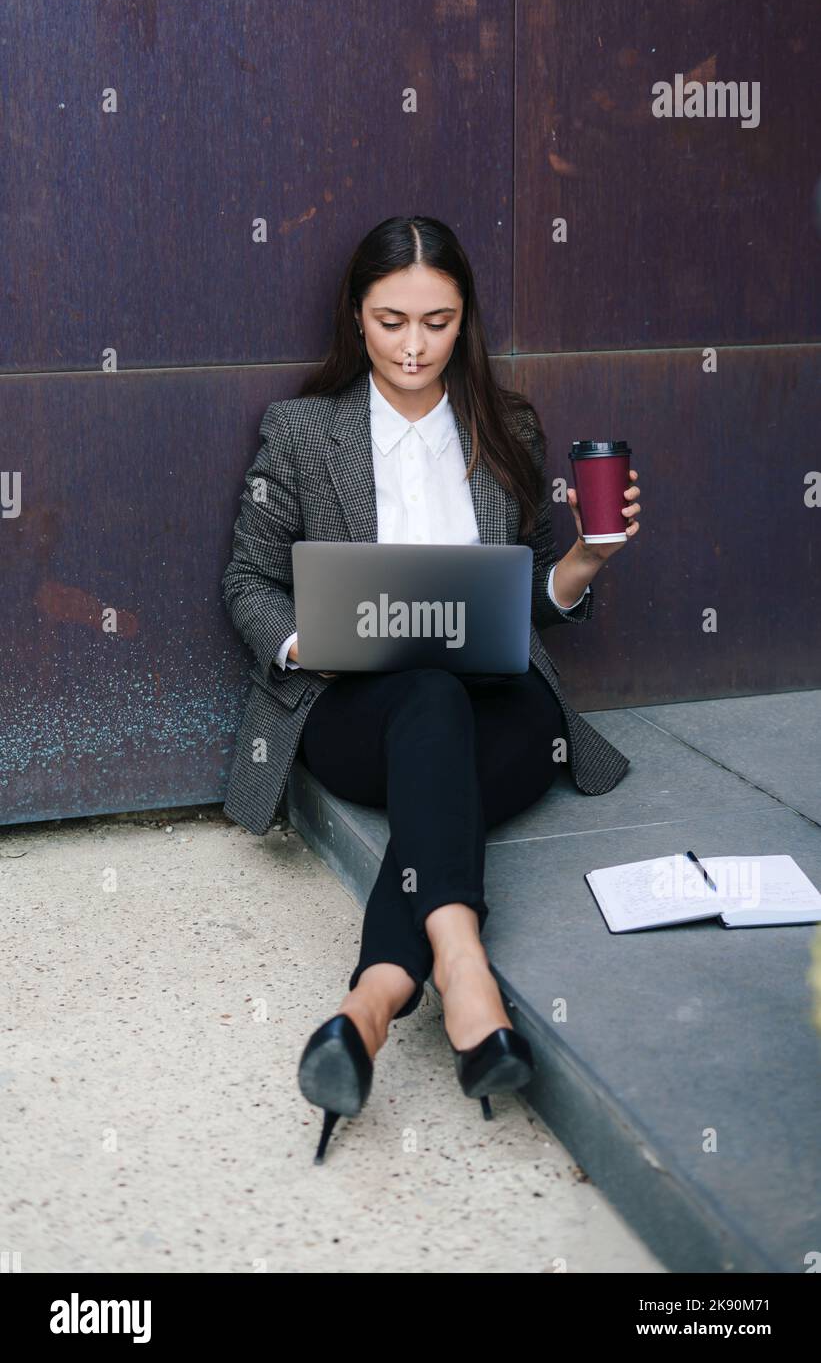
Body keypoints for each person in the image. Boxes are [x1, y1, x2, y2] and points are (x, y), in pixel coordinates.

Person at [222, 216, 641, 1164]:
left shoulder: (506, 424)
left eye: (438, 322)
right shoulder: (302, 433)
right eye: (391, 321)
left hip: (500, 705)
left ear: (466, 321)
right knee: (425, 700)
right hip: (359, 711)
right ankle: (460, 969)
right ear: (355, 318)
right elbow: (245, 583)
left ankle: (372, 1002)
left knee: (457, 713)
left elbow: (531, 592)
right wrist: (302, 642)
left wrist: (586, 556)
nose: (414, 346)